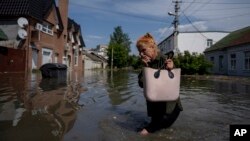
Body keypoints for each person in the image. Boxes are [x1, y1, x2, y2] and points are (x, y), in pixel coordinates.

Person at [136, 33, 183, 135]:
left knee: (144, 133)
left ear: (153, 48)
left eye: (143, 50)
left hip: (169, 109)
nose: (141, 54)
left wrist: (172, 68)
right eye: (139, 52)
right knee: (156, 131)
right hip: (156, 108)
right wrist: (146, 68)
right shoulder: (147, 63)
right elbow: (141, 84)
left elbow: (176, 82)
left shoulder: (165, 60)